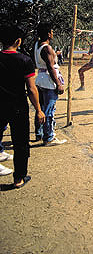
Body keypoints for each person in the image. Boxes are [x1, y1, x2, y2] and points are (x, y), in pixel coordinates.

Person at [0, 25, 45, 187]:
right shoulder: (24, 60)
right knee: (20, 143)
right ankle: (19, 178)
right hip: (18, 106)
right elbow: (31, 89)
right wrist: (39, 110)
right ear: (18, 41)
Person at [34, 23, 67, 146]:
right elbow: (50, 67)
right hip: (48, 81)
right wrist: (58, 83)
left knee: (41, 109)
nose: (52, 34)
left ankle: (40, 134)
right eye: (51, 32)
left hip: (41, 79)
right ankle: (49, 138)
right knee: (48, 110)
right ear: (48, 34)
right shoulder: (46, 48)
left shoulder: (37, 45)